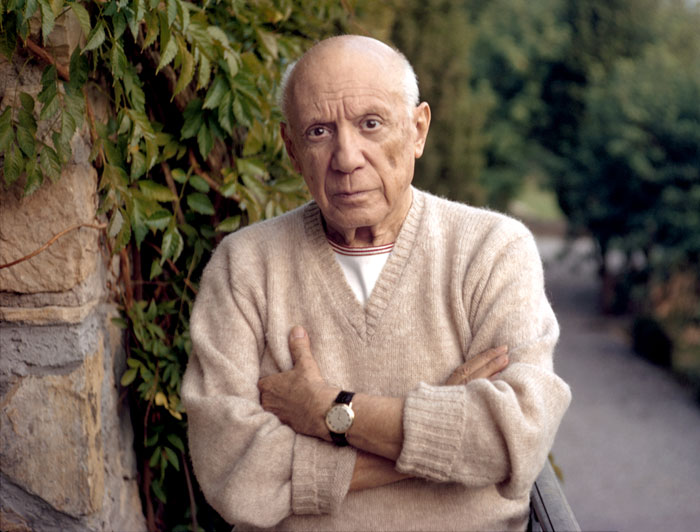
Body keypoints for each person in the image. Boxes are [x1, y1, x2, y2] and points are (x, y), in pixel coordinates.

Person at [182, 35, 571, 531]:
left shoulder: (492, 249)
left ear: (417, 130)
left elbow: (515, 437)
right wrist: (430, 434)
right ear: (292, 149)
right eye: (319, 131)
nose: (346, 157)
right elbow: (234, 470)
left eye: (371, 124)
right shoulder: (244, 265)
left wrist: (326, 410)